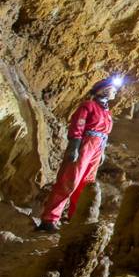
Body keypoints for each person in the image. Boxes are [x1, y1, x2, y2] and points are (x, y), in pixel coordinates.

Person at [36, 76, 121, 232]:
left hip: (97, 146)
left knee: (86, 183)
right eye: (113, 89)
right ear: (104, 91)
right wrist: (74, 146)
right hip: (85, 144)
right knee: (70, 180)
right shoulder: (88, 106)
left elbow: (105, 133)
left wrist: (102, 152)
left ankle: (76, 216)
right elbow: (78, 124)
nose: (115, 92)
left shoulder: (106, 112)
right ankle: (50, 219)